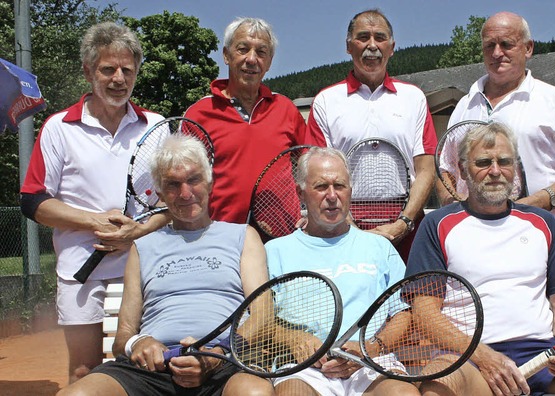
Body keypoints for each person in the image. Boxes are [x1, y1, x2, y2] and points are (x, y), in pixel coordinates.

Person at [406, 122, 555, 396]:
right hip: (471, 361)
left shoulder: (542, 222)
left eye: (504, 161)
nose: (495, 171)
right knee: (438, 389)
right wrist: (486, 358)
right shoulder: (437, 225)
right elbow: (424, 313)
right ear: (462, 169)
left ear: (514, 167)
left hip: (545, 358)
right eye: (483, 162)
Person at [57, 134, 274, 396]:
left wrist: (218, 353)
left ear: (209, 183)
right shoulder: (143, 246)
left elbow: (262, 314)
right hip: (152, 373)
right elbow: (123, 335)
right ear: (160, 193)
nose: (185, 193)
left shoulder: (243, 236)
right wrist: (140, 342)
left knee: (255, 393)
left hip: (226, 361)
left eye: (193, 180)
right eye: (173, 184)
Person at [19, 22, 166, 383]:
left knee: (144, 367)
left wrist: (137, 231)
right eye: (108, 69)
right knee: (85, 370)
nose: (118, 78)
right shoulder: (58, 127)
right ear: (88, 71)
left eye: (127, 70)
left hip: (143, 269)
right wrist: (96, 222)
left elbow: (172, 204)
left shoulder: (157, 126)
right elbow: (34, 200)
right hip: (79, 271)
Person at [266, 147, 420, 396]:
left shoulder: (380, 247)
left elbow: (403, 313)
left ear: (350, 190)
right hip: (303, 369)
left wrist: (370, 348)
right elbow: (260, 321)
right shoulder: (274, 251)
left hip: (370, 363)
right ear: (300, 193)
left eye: (339, 185)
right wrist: (293, 340)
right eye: (320, 187)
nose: (331, 196)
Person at [442, 11, 555, 245]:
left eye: (506, 44)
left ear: (528, 48)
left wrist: (534, 204)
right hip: (471, 240)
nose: (497, 53)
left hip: (539, 239)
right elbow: (445, 168)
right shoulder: (464, 105)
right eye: (489, 46)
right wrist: (452, 202)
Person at [305, 8, 438, 262]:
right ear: (348, 46)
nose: (372, 46)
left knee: (408, 298)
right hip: (342, 223)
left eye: (380, 37)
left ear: (392, 47)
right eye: (363, 37)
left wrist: (403, 223)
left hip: (406, 221)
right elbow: (316, 172)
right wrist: (350, 227)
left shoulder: (414, 98)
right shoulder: (326, 100)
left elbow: (426, 169)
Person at [184, 17, 306, 226]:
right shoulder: (198, 114)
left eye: (261, 52)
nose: (251, 59)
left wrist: (310, 213)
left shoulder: (286, 108)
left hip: (282, 237)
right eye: (243, 49)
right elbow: (184, 180)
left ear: (269, 61)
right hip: (220, 238)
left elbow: (310, 163)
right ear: (226, 55)